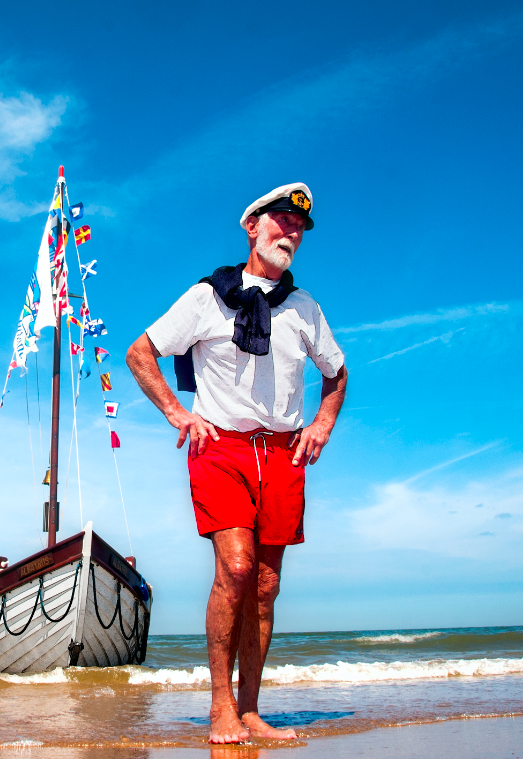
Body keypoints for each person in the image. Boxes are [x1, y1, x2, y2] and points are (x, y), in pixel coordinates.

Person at [125, 183, 348, 744]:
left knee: (266, 586)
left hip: (283, 453)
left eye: (299, 226)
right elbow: (140, 352)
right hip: (221, 447)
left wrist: (321, 425)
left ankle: (250, 710)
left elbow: (337, 372)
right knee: (239, 568)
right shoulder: (207, 297)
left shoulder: (304, 307)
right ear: (252, 226)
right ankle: (220, 706)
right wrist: (178, 413)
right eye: (282, 220)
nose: (291, 232)